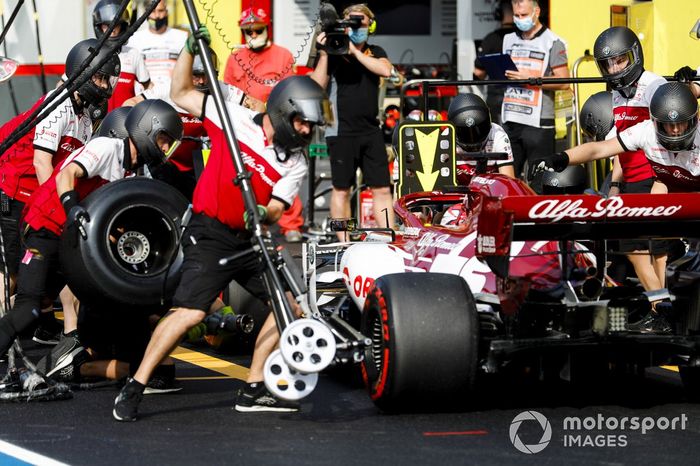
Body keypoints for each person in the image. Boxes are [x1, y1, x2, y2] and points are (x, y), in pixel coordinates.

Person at [112, 35, 330, 421]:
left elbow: (279, 207)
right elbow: (180, 91)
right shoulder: (232, 119)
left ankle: (253, 387)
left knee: (290, 307)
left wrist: (263, 214)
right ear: (283, 111)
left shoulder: (294, 159)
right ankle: (136, 384)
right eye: (302, 122)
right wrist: (191, 50)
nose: (307, 132)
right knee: (191, 313)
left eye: (312, 126)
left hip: (250, 239)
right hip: (208, 233)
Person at [0, 99, 182, 374]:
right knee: (30, 309)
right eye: (164, 140)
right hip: (45, 228)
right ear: (146, 129)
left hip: (70, 238)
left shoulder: (133, 169)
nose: (166, 149)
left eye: (170, 143)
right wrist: (72, 207)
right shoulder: (107, 147)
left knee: (84, 298)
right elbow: (66, 175)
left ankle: (77, 354)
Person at [531, 82, 700, 332]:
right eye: (668, 125)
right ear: (656, 122)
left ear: (693, 119)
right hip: (673, 195)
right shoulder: (645, 132)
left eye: (681, 124)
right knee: (646, 241)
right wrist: (560, 158)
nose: (675, 131)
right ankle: (663, 309)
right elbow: (600, 148)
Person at [0, 38, 120, 343]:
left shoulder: (86, 114)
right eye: (100, 77)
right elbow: (42, 163)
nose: (106, 85)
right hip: (12, 191)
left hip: (33, 197)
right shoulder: (59, 104)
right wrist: (55, 214)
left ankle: (35, 327)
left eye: (108, 78)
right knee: (13, 275)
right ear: (83, 71)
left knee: (45, 277)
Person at [590, 26, 667, 295]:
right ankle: (661, 307)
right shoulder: (615, 95)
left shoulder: (655, 85)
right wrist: (614, 184)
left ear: (635, 55)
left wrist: (662, 180)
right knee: (635, 252)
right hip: (631, 182)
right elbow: (620, 143)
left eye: (619, 60)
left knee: (658, 252)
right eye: (607, 64)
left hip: (655, 177)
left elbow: (672, 132)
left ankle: (662, 311)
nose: (614, 69)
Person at [310, 3, 394, 239]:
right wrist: (326, 53)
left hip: (370, 131)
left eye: (361, 23)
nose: (357, 28)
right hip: (340, 131)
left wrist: (355, 52)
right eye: (351, 23)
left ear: (371, 26)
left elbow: (386, 71)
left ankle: (388, 237)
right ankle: (344, 241)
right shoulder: (333, 53)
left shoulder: (375, 51)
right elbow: (316, 86)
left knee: (382, 189)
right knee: (341, 191)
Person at [223, 7, 303, 243]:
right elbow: (227, 92)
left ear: (266, 28)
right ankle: (248, 221)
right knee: (246, 173)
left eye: (257, 29)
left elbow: (291, 92)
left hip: (276, 122)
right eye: (247, 31)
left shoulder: (283, 56)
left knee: (283, 170)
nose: (252, 34)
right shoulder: (235, 58)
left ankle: (291, 225)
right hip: (245, 125)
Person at [501, 0, 570, 179]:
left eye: (524, 15)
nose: (519, 19)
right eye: (516, 15)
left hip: (539, 121)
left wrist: (530, 80)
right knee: (508, 181)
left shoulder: (553, 42)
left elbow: (564, 81)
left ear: (537, 11)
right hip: (511, 116)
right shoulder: (508, 39)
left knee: (539, 180)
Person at [92, 0, 152, 111]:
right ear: (99, 26)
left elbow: (150, 88)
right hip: (96, 122)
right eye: (107, 25)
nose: (112, 30)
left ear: (123, 25)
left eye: (116, 24)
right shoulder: (90, 53)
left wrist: (139, 103)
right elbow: (63, 84)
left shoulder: (133, 54)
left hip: (127, 122)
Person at [127, 0, 187, 102]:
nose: (157, 16)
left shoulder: (182, 37)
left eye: (160, 11)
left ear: (167, 12)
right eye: (152, 11)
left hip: (173, 98)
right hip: (144, 98)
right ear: (146, 13)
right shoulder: (133, 39)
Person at [473, 0, 516, 124]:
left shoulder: (491, 39)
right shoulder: (524, 37)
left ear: (498, 15)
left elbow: (478, 73)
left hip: (496, 97)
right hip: (521, 98)